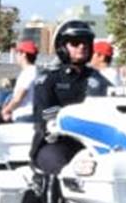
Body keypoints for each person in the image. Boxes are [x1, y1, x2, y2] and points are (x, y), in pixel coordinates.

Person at [29, 20, 109, 183]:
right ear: (62, 46)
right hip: (56, 143)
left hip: (94, 145)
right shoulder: (48, 79)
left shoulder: (98, 79)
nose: (82, 47)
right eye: (75, 43)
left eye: (86, 42)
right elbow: (45, 117)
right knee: (62, 169)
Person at [0, 40, 39, 123]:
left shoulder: (29, 73)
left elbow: (18, 98)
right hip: (27, 116)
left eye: (17, 52)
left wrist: (6, 110)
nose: (15, 55)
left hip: (25, 117)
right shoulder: (32, 71)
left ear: (24, 54)